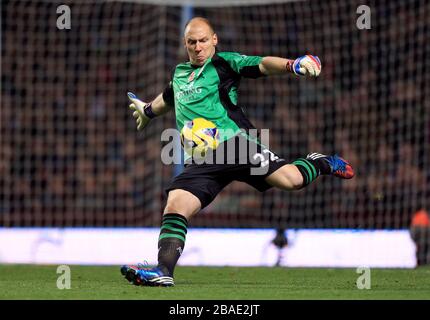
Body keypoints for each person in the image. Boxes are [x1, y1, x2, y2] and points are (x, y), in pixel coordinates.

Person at [121, 17, 354, 287]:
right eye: (192, 42)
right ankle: (163, 270)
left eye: (203, 41)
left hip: (236, 145)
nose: (198, 47)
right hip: (202, 159)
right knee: (176, 204)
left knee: (292, 181)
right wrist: (147, 110)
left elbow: (263, 64)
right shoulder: (179, 74)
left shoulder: (224, 63)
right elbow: (169, 97)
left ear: (214, 40)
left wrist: (293, 64)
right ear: (185, 44)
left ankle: (320, 162)